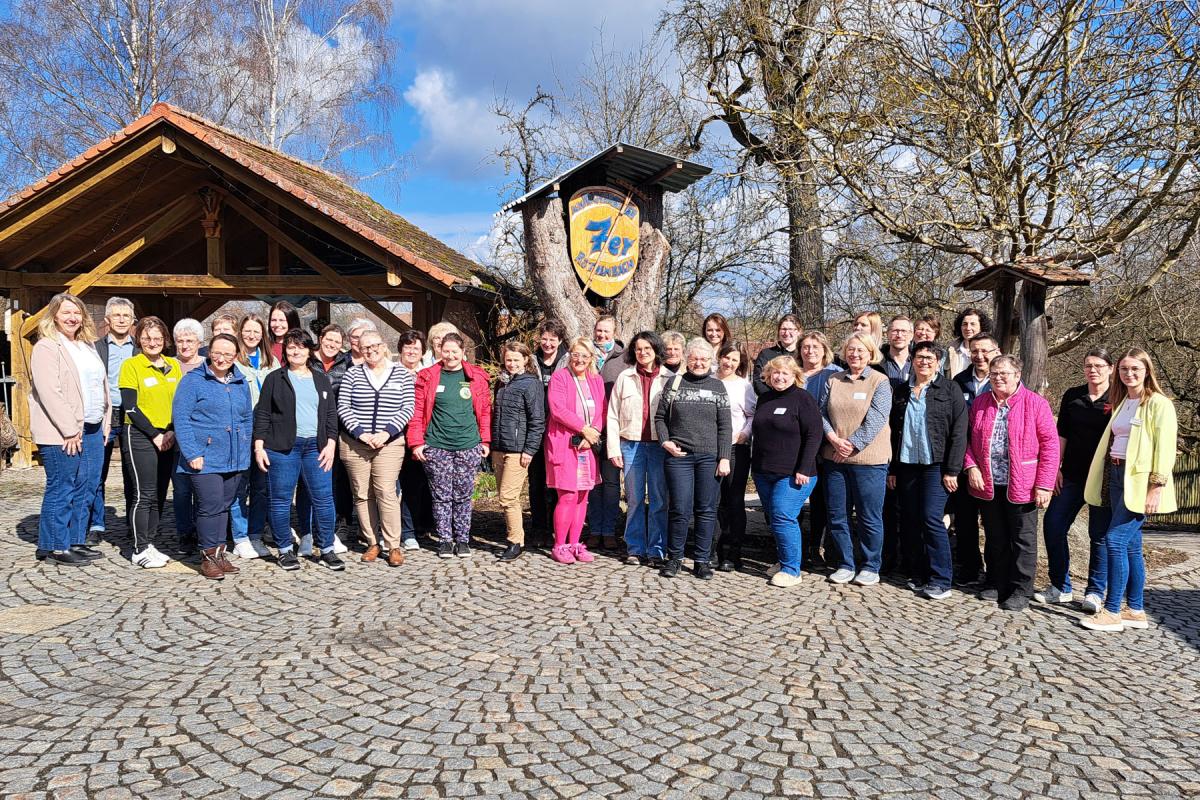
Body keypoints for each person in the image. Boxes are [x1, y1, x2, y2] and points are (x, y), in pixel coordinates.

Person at [1080, 348, 1177, 631]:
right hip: (1116, 475)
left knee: (1115, 540)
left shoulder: (1159, 404)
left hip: (1141, 482)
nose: (1129, 374)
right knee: (1132, 546)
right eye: (1124, 369)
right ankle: (1135, 609)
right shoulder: (1123, 402)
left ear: (1147, 370)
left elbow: (1165, 449)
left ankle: (1111, 611)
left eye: (1135, 368)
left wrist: (1155, 487)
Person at [962, 354, 1058, 611]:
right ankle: (996, 581)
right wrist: (971, 466)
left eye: (1004, 373)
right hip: (989, 482)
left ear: (1017, 376)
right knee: (995, 536)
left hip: (1023, 484)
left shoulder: (1035, 403)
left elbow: (1050, 445)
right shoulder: (981, 403)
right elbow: (967, 440)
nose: (999, 378)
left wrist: (1045, 484)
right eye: (994, 374)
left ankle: (1020, 589)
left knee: (1022, 539)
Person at [29, 292, 111, 565]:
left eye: (76, 313)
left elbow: (100, 384)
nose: (72, 317)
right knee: (62, 485)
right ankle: (54, 546)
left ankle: (75, 539)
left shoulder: (86, 346)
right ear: (54, 315)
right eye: (66, 312)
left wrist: (106, 419)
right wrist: (68, 428)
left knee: (87, 485)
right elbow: (49, 391)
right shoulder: (47, 347)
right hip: (62, 431)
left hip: (92, 427)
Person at [255, 329, 344, 572]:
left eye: (301, 347)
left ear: (309, 351)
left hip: (316, 447)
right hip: (283, 448)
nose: (296, 351)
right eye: (291, 347)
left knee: (324, 499)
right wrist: (259, 444)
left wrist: (331, 443)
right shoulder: (275, 378)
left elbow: (330, 415)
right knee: (281, 499)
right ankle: (285, 549)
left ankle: (326, 548)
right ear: (285, 350)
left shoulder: (320, 379)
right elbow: (262, 413)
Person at [1034, 349, 1114, 609]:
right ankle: (1060, 585)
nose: (1094, 370)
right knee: (1053, 524)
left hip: (1102, 478)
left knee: (1098, 535)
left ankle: (1094, 591)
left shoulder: (1119, 397)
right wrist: (1055, 467)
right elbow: (1062, 435)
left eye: (1099, 365)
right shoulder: (1073, 395)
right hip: (1071, 475)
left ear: (1111, 369)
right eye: (1089, 365)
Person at [887, 342, 968, 599]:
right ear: (912, 360)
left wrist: (953, 470)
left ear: (938, 361)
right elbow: (892, 432)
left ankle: (941, 578)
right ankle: (917, 572)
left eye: (929, 357)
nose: (924, 362)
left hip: (937, 465)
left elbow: (959, 431)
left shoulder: (949, 388)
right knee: (910, 519)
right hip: (907, 464)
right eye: (919, 357)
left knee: (932, 518)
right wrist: (893, 469)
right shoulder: (901, 391)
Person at [172, 333, 253, 580]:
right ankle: (207, 556)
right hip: (204, 456)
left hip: (234, 456)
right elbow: (181, 419)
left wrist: (245, 446)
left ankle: (220, 552)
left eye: (228, 354)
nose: (222, 358)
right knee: (209, 506)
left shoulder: (240, 382)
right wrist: (192, 452)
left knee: (224, 506)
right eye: (217, 352)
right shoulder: (193, 381)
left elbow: (247, 417)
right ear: (209, 352)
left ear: (236, 356)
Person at [409, 332, 491, 558]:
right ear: (439, 351)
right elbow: (416, 413)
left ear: (463, 352)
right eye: (446, 351)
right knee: (441, 496)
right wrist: (416, 442)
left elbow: (484, 412)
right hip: (437, 445)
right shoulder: (428, 377)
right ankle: (445, 540)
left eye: (455, 351)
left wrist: (485, 440)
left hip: (468, 444)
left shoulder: (476, 377)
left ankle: (462, 539)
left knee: (464, 495)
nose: (450, 355)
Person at [820, 332, 893, 586]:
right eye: (851, 349)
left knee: (868, 516)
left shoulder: (879, 381)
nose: (855, 354)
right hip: (835, 459)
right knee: (837, 514)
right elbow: (821, 414)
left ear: (870, 353)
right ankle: (845, 563)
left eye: (861, 350)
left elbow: (877, 418)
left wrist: (850, 446)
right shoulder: (833, 380)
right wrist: (833, 439)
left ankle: (871, 565)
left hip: (869, 460)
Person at [655, 338, 732, 580]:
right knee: (679, 509)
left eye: (703, 359)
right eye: (694, 358)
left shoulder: (718, 387)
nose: (698, 363)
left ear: (711, 361)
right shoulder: (675, 383)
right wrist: (665, 441)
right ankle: (674, 558)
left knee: (706, 510)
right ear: (687, 359)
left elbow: (725, 426)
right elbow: (659, 417)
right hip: (679, 457)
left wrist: (724, 457)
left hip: (709, 457)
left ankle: (702, 560)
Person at [338, 329, 415, 566]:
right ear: (359, 350)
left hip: (388, 444)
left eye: (374, 346)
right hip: (355, 443)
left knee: (386, 492)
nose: (370, 351)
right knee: (362, 493)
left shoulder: (400, 374)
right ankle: (371, 541)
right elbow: (343, 406)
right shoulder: (352, 375)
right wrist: (361, 434)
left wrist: (386, 432)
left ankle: (393, 545)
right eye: (365, 348)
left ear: (384, 347)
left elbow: (407, 407)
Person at [752, 356, 822, 587]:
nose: (780, 377)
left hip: (795, 473)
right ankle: (784, 561)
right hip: (764, 471)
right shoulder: (764, 398)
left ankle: (792, 570)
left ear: (795, 376)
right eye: (776, 373)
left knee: (783, 514)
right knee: (774, 518)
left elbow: (814, 435)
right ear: (769, 376)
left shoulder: (803, 399)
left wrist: (803, 468)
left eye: (785, 374)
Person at [119, 316, 183, 569]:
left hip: (168, 436)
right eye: (147, 338)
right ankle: (138, 548)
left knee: (158, 493)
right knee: (143, 494)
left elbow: (179, 403)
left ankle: (151, 542)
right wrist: (155, 435)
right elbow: (130, 407)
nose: (152, 342)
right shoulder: (131, 365)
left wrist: (171, 432)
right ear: (139, 340)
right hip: (140, 435)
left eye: (157, 338)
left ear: (165, 340)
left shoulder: (173, 366)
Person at [607, 331, 668, 566]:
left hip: (658, 447)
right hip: (631, 444)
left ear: (655, 351)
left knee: (659, 499)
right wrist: (614, 448)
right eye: (638, 349)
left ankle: (656, 549)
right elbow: (612, 415)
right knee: (633, 498)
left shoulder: (669, 378)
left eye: (647, 349)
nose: (642, 353)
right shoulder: (625, 377)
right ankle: (634, 547)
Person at [544, 337, 607, 564]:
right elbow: (558, 409)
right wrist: (583, 429)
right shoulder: (560, 378)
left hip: (586, 446)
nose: (579, 359)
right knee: (568, 495)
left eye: (584, 355)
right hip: (565, 443)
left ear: (591, 358)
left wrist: (592, 436)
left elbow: (601, 410)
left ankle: (575, 543)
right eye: (575, 354)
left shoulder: (596, 380)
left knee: (582, 496)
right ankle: (559, 545)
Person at [950, 332, 1001, 584]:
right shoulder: (959, 381)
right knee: (965, 520)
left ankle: (995, 573)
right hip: (964, 461)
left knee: (993, 523)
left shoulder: (1004, 382)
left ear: (997, 351)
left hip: (997, 464)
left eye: (986, 351)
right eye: (975, 351)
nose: (980, 356)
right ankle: (970, 567)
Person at [88, 296, 138, 542]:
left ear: (132, 320)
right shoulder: (95, 348)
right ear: (107, 320)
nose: (121, 320)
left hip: (132, 415)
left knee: (133, 473)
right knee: (98, 471)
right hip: (104, 414)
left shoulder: (140, 349)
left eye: (125, 316)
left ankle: (133, 522)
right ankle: (96, 524)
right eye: (116, 315)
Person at [490, 342, 547, 562]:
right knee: (503, 497)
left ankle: (516, 541)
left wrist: (530, 449)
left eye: (516, 359)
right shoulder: (502, 382)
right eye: (508, 359)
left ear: (525, 360)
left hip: (518, 449)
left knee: (508, 497)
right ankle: (512, 537)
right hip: (499, 447)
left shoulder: (530, 384)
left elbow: (537, 420)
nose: (512, 364)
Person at [230, 314, 276, 559]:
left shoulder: (272, 361)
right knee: (239, 485)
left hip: (266, 433)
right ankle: (239, 535)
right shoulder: (233, 361)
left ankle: (256, 533)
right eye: (247, 330)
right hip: (240, 431)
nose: (251, 335)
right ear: (240, 332)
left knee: (261, 487)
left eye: (256, 331)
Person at [308, 324, 353, 541]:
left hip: (338, 425)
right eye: (329, 339)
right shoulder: (307, 359)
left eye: (337, 342)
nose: (332, 344)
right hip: (310, 423)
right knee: (314, 476)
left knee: (338, 477)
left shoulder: (346, 363)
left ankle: (340, 522)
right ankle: (312, 525)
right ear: (321, 338)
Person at [798, 332, 839, 568]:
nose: (810, 351)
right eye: (805, 346)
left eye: (815, 346)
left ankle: (818, 547)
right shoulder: (792, 374)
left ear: (824, 349)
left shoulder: (834, 374)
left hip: (825, 445)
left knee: (822, 501)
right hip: (795, 446)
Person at [714, 341, 756, 571]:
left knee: (734, 501)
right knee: (714, 501)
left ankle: (733, 551)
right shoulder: (709, 380)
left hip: (735, 448)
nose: (728, 363)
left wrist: (745, 433)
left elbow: (752, 415)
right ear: (719, 356)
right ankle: (713, 548)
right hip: (709, 448)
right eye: (726, 357)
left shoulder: (743, 386)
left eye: (734, 360)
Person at [588, 315, 626, 551]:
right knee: (592, 482)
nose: (602, 335)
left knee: (611, 484)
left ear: (614, 332)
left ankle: (609, 530)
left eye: (606, 331)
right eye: (599, 330)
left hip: (612, 430)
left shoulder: (624, 359)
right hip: (589, 430)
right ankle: (594, 529)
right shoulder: (585, 353)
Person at [529, 319, 569, 543]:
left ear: (560, 340)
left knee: (556, 481)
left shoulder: (567, 361)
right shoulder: (531, 361)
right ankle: (538, 528)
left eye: (552, 339)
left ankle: (558, 527)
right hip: (535, 428)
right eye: (544, 338)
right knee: (536, 480)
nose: (547, 343)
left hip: (558, 431)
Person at [170, 318, 205, 552]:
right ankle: (185, 532)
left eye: (190, 340)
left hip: (203, 435)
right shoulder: (168, 365)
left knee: (203, 488)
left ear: (199, 342)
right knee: (181, 488)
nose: (185, 345)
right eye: (180, 341)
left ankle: (205, 530)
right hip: (173, 434)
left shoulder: (208, 364)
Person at [396, 330, 433, 548]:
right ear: (400, 349)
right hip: (394, 437)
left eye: (416, 348)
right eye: (407, 347)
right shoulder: (390, 372)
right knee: (391, 487)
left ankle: (416, 527)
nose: (411, 351)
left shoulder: (426, 375)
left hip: (421, 437)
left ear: (422, 352)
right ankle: (392, 529)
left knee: (416, 485)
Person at [752, 314, 803, 394]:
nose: (786, 333)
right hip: (771, 400)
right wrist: (776, 399)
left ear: (799, 332)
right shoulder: (766, 354)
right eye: (783, 329)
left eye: (791, 329)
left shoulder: (803, 355)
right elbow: (758, 381)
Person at [881, 315, 914, 382]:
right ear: (887, 334)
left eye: (904, 331)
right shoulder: (876, 362)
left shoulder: (920, 362)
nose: (899, 335)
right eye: (895, 331)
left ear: (911, 335)